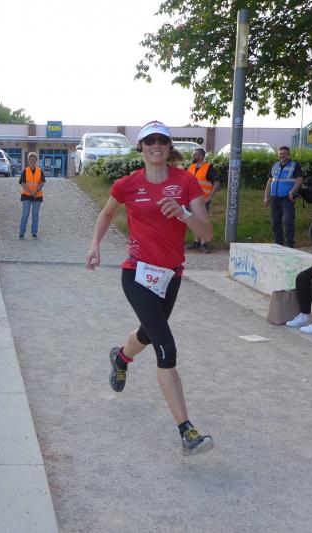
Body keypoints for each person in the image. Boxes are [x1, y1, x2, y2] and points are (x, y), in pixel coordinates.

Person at [85, 120, 215, 455]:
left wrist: (184, 213)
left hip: (170, 277)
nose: (156, 145)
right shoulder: (127, 184)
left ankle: (121, 358)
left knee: (147, 333)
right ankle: (187, 431)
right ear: (141, 147)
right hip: (137, 275)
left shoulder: (186, 182)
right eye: (149, 140)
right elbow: (106, 214)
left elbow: (207, 234)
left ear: (169, 146)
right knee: (165, 347)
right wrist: (95, 245)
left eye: (162, 140)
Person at [263, 146, 303, 248]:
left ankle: (289, 244)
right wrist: (266, 197)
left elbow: (299, 180)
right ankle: (278, 243)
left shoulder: (295, 165)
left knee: (288, 221)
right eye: (280, 154)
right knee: (275, 222)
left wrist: (292, 192)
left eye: (284, 154)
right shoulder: (275, 165)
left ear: (288, 155)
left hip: (287, 198)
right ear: (278, 155)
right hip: (275, 198)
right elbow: (270, 181)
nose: (282, 156)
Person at [185, 148, 220, 253]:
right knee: (194, 220)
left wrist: (210, 197)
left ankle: (204, 244)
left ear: (201, 156)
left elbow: (217, 183)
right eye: (193, 154)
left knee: (203, 220)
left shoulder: (208, 167)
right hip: (191, 199)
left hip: (203, 199)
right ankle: (196, 242)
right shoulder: (191, 167)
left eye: (195, 154)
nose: (193, 156)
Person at [18, 152, 45, 239]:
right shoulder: (25, 170)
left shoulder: (39, 170)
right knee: (25, 214)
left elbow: (42, 182)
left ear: (36, 160)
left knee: (35, 215)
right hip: (26, 195)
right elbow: (22, 182)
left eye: (34, 159)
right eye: (31, 159)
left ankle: (34, 233)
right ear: (28, 160)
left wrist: (36, 191)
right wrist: (30, 192)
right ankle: (21, 233)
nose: (32, 160)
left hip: (37, 196)